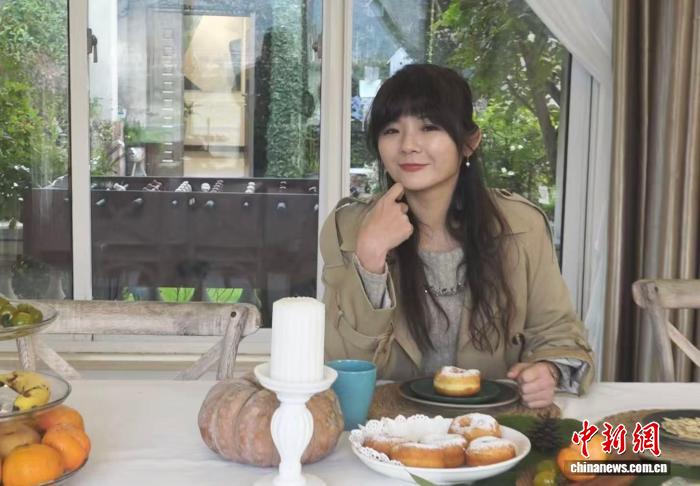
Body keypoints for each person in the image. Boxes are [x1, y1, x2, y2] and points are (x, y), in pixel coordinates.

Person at [321, 64, 593, 408]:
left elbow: (559, 334)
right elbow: (340, 366)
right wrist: (370, 258)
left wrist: (547, 370)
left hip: (495, 426)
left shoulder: (521, 225)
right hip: (387, 426)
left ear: (469, 142)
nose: (408, 145)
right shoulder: (348, 226)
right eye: (391, 130)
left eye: (429, 127)